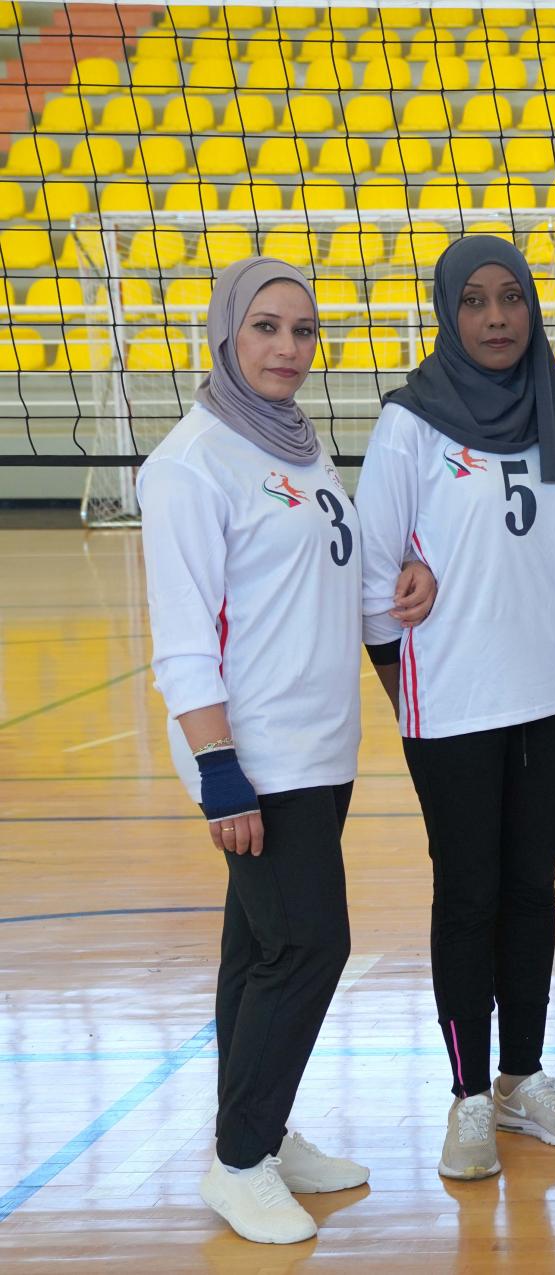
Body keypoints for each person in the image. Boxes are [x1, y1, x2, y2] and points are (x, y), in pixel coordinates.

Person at [140, 257, 430, 1243]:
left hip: (322, 746)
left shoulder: (299, 448)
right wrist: (219, 770)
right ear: (227, 334)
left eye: (302, 332)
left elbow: (340, 583)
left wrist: (406, 584)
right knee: (312, 942)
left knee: (257, 946)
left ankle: (257, 1127)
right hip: (252, 755)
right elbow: (182, 639)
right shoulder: (190, 464)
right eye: (266, 328)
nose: (286, 349)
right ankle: (238, 1159)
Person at [354, 234, 555, 1180]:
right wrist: (405, 691)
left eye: (513, 299)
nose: (498, 319)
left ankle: (522, 1078)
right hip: (451, 702)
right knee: (468, 892)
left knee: (530, 890)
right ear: (448, 312)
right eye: (477, 302)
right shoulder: (408, 424)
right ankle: (465, 1097)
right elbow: (379, 572)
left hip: (549, 693)